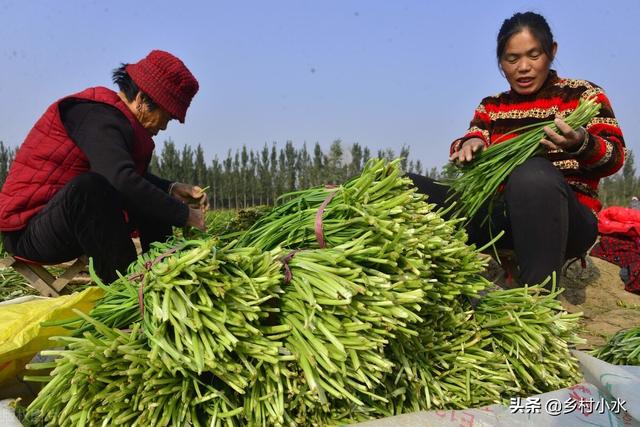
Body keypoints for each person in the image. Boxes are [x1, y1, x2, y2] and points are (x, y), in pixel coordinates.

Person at [409, 12, 625, 286]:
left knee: (532, 172)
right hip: (501, 220)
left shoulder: (584, 96)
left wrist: (581, 143)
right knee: (406, 184)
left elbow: (615, 156)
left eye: (533, 56)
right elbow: (473, 136)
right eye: (512, 59)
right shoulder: (493, 106)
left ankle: (537, 298)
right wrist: (470, 146)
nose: (523, 67)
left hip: (567, 223)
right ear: (500, 62)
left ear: (552, 51)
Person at [0, 50, 208, 283]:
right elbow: (120, 179)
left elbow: (125, 175)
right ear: (141, 99)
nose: (164, 127)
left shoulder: (116, 120)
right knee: (89, 188)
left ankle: (164, 269)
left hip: (65, 222)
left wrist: (171, 188)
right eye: (166, 117)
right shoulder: (96, 115)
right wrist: (184, 214)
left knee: (151, 196)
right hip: (28, 231)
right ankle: (126, 285)